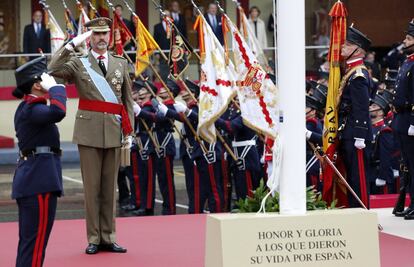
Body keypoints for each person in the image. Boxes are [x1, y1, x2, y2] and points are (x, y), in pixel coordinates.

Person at [48, 17, 134, 254]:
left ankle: (109, 236)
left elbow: (127, 100)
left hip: (115, 131)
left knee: (109, 189)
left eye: (105, 34)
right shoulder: (79, 63)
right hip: (88, 132)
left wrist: (130, 132)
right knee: (92, 190)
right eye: (96, 34)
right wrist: (71, 44)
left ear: (110, 36)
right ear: (90, 38)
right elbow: (53, 68)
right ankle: (94, 238)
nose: (101, 38)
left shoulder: (120, 63)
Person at [12, 57, 67, 267]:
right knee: (35, 245)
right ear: (37, 84)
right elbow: (59, 111)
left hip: (34, 180)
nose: (50, 80)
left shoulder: (29, 108)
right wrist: (56, 89)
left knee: (31, 243)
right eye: (46, 78)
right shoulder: (32, 108)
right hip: (39, 182)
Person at [337, 25, 373, 208]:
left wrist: (360, 134)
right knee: (351, 177)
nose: (342, 47)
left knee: (358, 178)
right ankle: (354, 212)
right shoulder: (350, 72)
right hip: (348, 130)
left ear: (358, 50)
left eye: (347, 45)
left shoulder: (358, 74)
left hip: (356, 133)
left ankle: (362, 212)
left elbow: (361, 108)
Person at [392, 20, 414, 220]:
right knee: (406, 163)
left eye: (408, 38)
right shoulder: (407, 61)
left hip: (410, 117)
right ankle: (410, 201)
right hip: (401, 117)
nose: (404, 41)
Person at [369, 92, 395, 194]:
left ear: (381, 112)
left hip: (378, 174)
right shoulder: (369, 128)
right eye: (371, 105)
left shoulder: (384, 131)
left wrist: (382, 177)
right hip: (369, 173)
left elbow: (385, 156)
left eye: (374, 106)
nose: (370, 107)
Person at [153, 11, 172, 81]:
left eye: (168, 15)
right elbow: (155, 40)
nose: (166, 16)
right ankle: (165, 87)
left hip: (172, 52)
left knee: (172, 71)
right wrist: (156, 52)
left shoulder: (173, 25)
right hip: (162, 52)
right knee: (163, 72)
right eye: (165, 15)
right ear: (162, 16)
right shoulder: (157, 27)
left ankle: (172, 87)